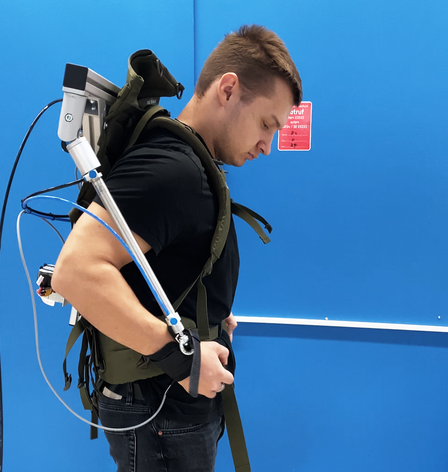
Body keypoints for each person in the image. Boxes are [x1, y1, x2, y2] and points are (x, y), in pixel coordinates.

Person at [52, 24, 302, 472]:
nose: (268, 145)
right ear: (228, 89)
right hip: (160, 413)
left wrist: (210, 320)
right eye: (267, 124)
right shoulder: (173, 169)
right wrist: (182, 358)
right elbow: (77, 271)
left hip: (168, 409)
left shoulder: (191, 163)